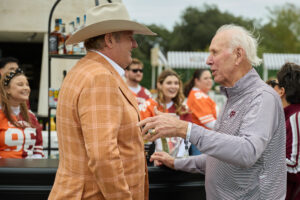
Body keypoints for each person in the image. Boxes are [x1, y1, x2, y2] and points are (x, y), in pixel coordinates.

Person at [138, 24, 287, 199]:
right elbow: (218, 160)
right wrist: (177, 163)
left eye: (215, 52)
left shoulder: (262, 97)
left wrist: (186, 129)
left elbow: (247, 152)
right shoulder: (233, 96)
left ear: (238, 55)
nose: (208, 60)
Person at [48, 1, 156, 200]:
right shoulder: (101, 77)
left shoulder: (84, 69)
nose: (135, 44)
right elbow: (103, 156)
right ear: (109, 40)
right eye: (130, 38)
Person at [139, 69, 192, 159]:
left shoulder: (184, 108)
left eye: (176, 83)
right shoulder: (149, 106)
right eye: (169, 83)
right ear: (159, 85)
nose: (173, 86)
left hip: (179, 160)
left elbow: (188, 135)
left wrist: (178, 158)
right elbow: (143, 133)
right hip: (154, 159)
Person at [269, 63, 300, 200]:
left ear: (281, 91)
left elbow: (296, 168)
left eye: (275, 83)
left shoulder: (295, 117)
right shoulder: (289, 116)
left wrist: (257, 157)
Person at [0, 68, 44, 158]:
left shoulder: (31, 116)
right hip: (4, 170)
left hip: (29, 170)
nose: (26, 88)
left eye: (27, 85)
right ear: (7, 89)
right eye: (20, 84)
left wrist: (35, 167)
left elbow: (38, 146)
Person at [184, 69, 217, 155]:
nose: (209, 80)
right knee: (201, 167)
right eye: (205, 78)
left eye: (210, 78)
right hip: (201, 140)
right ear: (197, 81)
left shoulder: (200, 94)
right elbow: (209, 123)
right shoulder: (198, 96)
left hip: (201, 139)